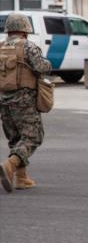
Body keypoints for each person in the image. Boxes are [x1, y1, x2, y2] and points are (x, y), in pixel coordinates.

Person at [0, 13, 52, 193]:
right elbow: (42, 67)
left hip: (4, 100)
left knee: (15, 138)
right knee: (32, 137)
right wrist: (46, 62)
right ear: (25, 30)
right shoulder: (28, 47)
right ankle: (9, 164)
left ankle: (22, 179)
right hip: (24, 99)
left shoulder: (0, 47)